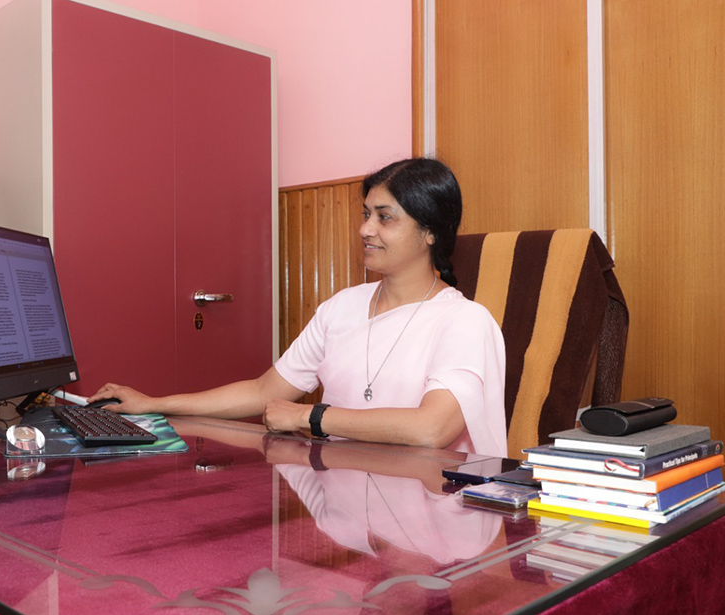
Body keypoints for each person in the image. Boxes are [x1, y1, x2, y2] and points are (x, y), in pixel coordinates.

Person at [89, 157, 507, 457]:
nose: (365, 229)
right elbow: (262, 392)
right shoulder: (341, 308)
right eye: (365, 214)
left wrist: (311, 417)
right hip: (350, 506)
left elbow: (432, 429)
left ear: (431, 232)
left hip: (435, 526)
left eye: (385, 217)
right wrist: (152, 402)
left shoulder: (466, 321)